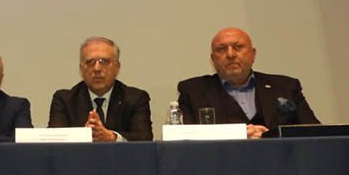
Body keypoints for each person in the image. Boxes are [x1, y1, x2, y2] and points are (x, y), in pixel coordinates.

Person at [177, 27, 319, 139]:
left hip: (281, 161)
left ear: (253, 55)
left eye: (238, 47)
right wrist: (238, 134)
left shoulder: (286, 87)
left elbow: (314, 132)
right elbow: (183, 137)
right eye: (221, 49)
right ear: (213, 59)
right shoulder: (193, 91)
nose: (230, 54)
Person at [48, 37, 153, 142]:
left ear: (117, 67)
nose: (97, 69)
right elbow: (55, 140)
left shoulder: (135, 99)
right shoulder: (65, 100)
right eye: (90, 62)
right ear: (81, 68)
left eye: (104, 61)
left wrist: (112, 137)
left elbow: (144, 138)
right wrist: (84, 135)